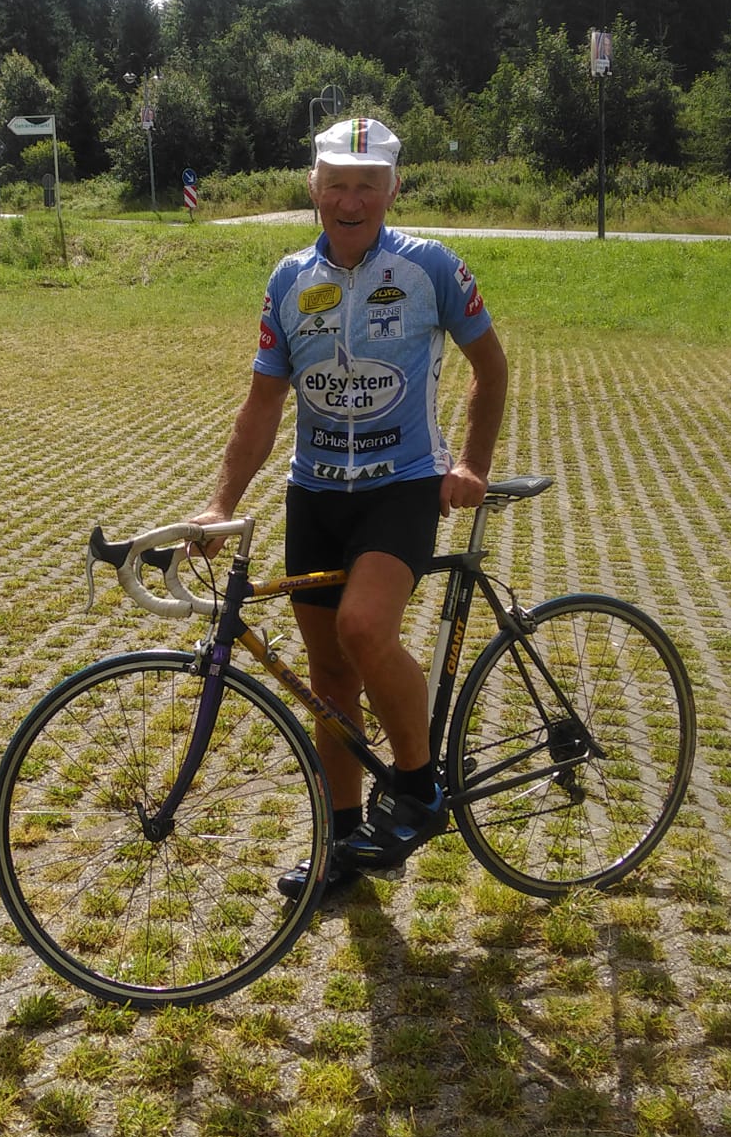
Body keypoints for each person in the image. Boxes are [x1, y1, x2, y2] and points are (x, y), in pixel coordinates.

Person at [191, 116, 507, 897]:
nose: (351, 197)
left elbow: (491, 370)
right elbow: (263, 404)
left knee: (364, 628)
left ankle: (421, 784)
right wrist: (219, 502)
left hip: (401, 486)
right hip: (315, 491)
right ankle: (342, 841)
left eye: (368, 183)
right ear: (314, 189)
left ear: (393, 190)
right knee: (329, 674)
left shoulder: (431, 267)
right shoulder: (289, 278)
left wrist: (470, 463)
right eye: (336, 182)